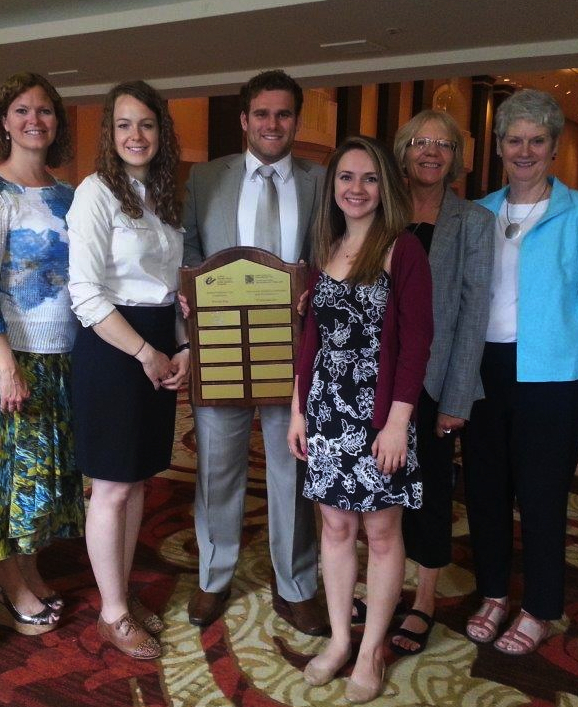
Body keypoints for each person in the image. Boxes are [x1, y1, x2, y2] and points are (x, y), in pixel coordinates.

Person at [462, 89, 578, 655]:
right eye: (514, 140)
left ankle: (540, 605)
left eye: (536, 140)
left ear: (553, 147)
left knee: (541, 494)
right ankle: (492, 593)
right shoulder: (479, 211)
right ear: (500, 147)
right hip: (484, 371)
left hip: (553, 374)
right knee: (484, 490)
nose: (524, 150)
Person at [287, 136, 433, 702]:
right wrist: (300, 409)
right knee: (336, 527)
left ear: (386, 187)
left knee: (380, 530)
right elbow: (312, 339)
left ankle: (373, 649)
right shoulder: (326, 247)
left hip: (380, 416)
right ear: (333, 188)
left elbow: (417, 341)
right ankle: (341, 641)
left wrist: (398, 423)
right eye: (346, 178)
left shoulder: (403, 249)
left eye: (369, 178)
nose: (356, 189)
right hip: (326, 411)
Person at [182, 69, 327, 635]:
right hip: (219, 349)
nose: (272, 124)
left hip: (294, 354)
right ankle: (214, 577)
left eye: (283, 114)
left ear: (296, 120)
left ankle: (297, 583)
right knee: (216, 470)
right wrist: (187, 295)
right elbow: (189, 245)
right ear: (244, 120)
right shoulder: (206, 178)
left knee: (292, 471)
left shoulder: (321, 181)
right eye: (261, 114)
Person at [352, 110, 493, 656]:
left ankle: (424, 598)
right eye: (419, 142)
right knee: (372, 490)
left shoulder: (473, 222)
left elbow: (473, 314)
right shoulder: (378, 210)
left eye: (443, 144)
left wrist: (457, 397)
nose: (430, 152)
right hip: (372, 377)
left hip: (434, 383)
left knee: (431, 495)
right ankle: (373, 584)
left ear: (456, 157)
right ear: (402, 151)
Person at [0, 73, 84, 635]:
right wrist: (6, 365)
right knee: (11, 476)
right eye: (23, 110)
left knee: (45, 475)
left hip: (62, 355)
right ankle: (7, 582)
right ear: (3, 121)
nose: (36, 120)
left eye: (46, 111)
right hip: (11, 358)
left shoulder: (68, 194)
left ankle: (28, 568)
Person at [67, 80, 190, 659]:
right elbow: (86, 294)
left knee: (140, 478)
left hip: (161, 342)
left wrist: (183, 349)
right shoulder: (96, 193)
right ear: (108, 134)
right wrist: (145, 353)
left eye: (145, 124)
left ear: (161, 132)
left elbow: (179, 290)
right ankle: (112, 611)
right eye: (123, 125)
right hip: (114, 349)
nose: (135, 135)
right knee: (112, 487)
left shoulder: (164, 196)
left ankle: (120, 592)